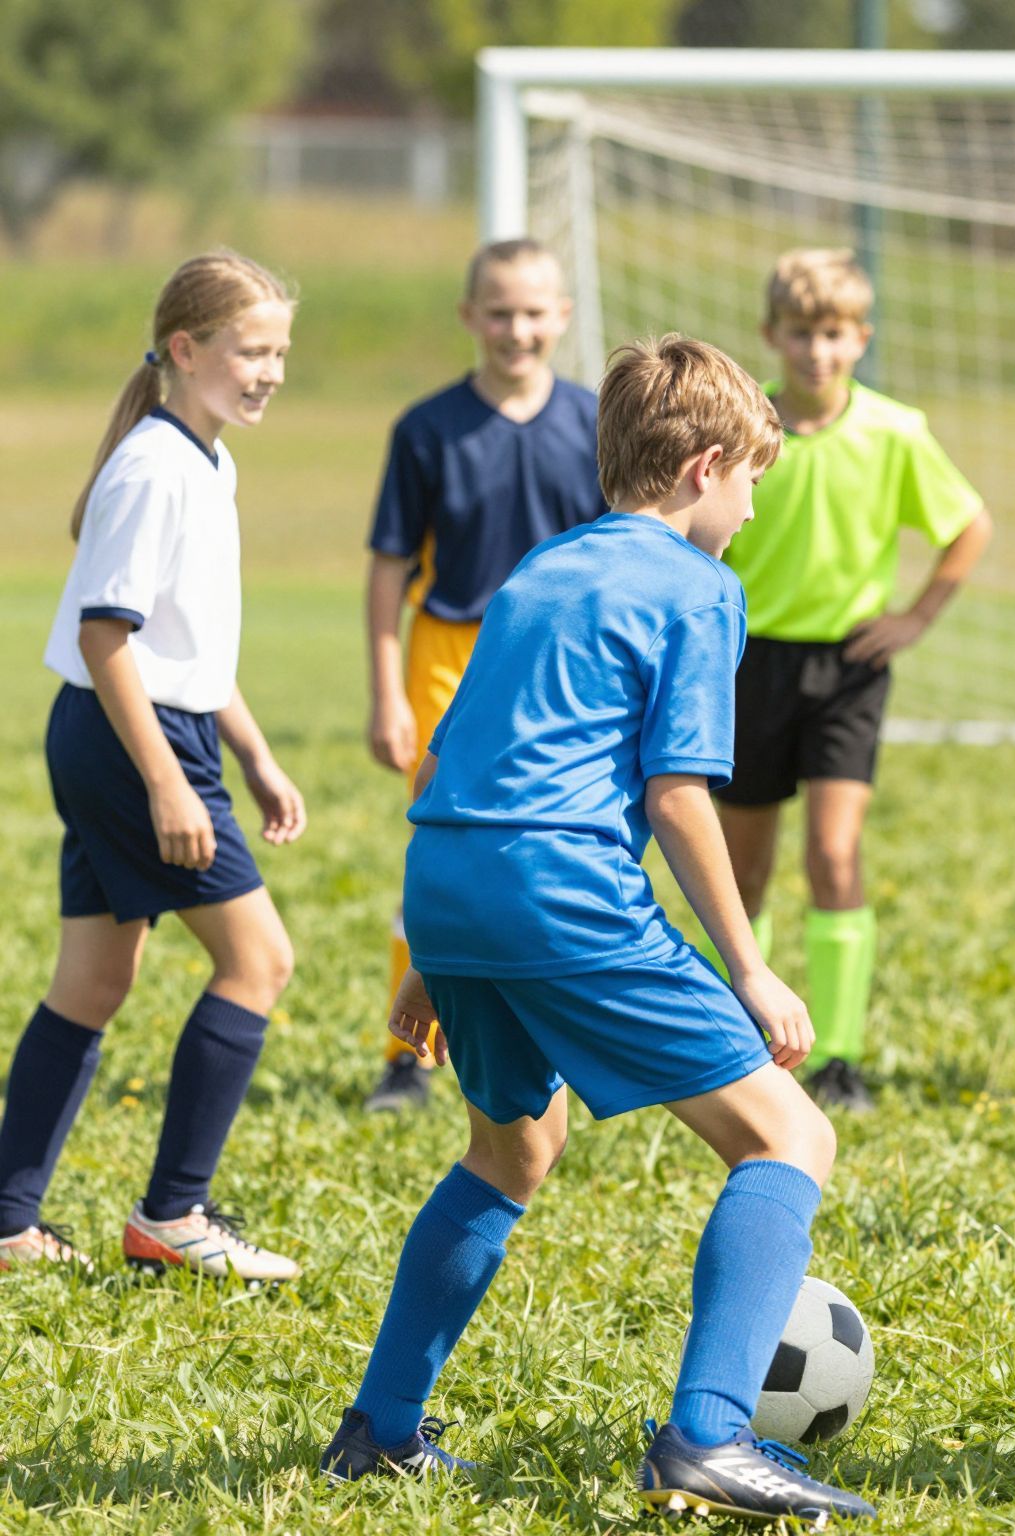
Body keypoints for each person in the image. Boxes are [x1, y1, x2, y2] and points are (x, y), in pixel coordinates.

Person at [320, 335, 873, 1524]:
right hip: (558, 887)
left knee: (511, 1152)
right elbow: (678, 793)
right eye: (753, 484)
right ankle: (709, 1440)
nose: (750, 508)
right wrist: (751, 966)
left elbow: (466, 753)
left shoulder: (540, 568)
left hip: (449, 876)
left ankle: (381, 1427)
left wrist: (430, 956)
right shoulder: (698, 587)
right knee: (788, 1139)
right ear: (705, 468)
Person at [0, 251, 304, 1283]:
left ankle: (7, 1223)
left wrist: (254, 754)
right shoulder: (155, 465)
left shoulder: (209, 460)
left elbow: (190, 645)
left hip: (133, 734)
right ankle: (173, 1215)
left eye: (279, 353)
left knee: (92, 981)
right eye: (249, 350)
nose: (267, 371)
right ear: (185, 348)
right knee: (258, 961)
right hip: (132, 741)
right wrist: (171, 783)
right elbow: (106, 638)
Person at [715, 249, 993, 1114]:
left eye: (834, 335)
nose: (816, 352)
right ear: (772, 336)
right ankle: (739, 1039)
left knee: (834, 854)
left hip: (848, 668)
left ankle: (838, 1056)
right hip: (748, 660)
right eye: (800, 334)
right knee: (741, 869)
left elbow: (969, 524)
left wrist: (914, 617)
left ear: (859, 339)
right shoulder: (743, 425)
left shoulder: (894, 431)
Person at [361, 238, 605, 1113]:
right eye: (499, 311)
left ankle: (548, 1034)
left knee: (546, 845)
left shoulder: (592, 424)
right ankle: (405, 1060)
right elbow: (389, 569)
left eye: (535, 311)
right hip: (448, 657)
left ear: (563, 318)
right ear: (469, 316)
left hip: (553, 666)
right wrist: (388, 690)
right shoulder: (426, 429)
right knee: (438, 849)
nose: (517, 329)